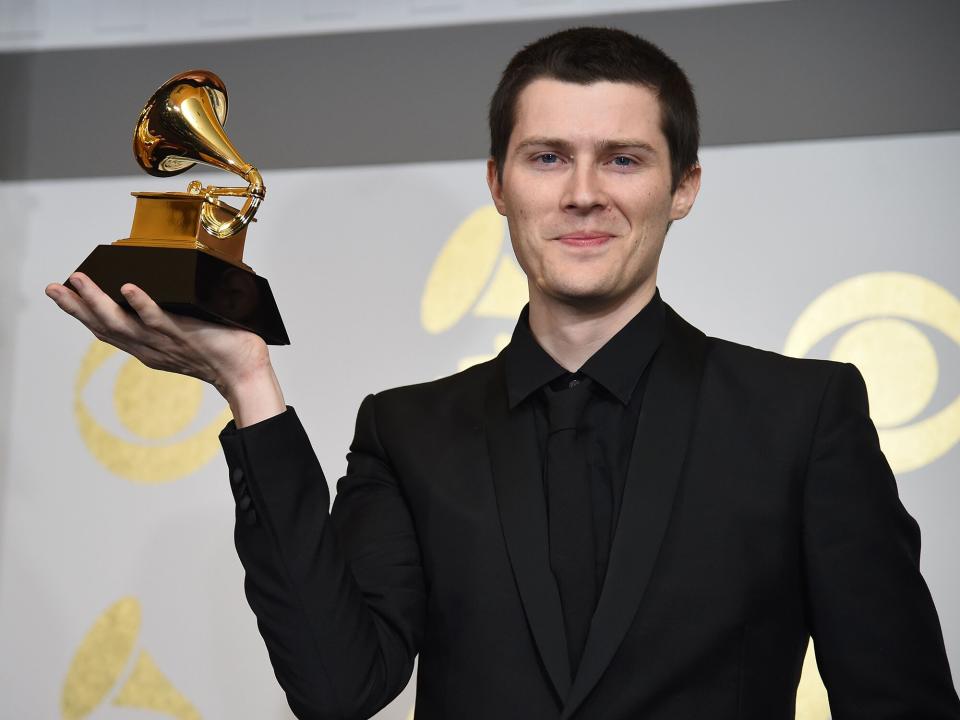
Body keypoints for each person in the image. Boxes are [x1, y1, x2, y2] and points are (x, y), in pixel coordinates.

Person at [46, 27, 959, 720]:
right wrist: (249, 388)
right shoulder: (408, 431)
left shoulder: (802, 415)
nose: (583, 193)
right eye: (549, 156)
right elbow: (337, 687)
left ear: (682, 188)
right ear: (499, 183)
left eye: (625, 159)